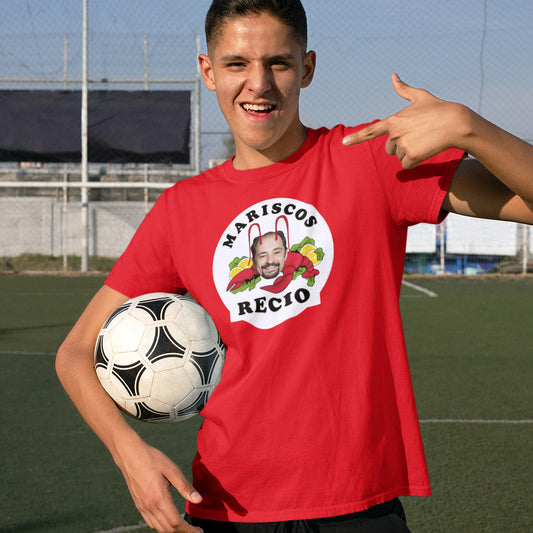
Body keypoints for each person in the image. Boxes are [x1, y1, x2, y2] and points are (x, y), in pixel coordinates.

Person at [55, 1, 533, 532]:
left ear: (306, 68)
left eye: (278, 63)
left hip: (358, 507)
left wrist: (471, 128)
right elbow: (75, 353)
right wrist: (130, 455)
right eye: (236, 63)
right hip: (226, 507)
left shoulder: (367, 160)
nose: (258, 84)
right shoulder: (180, 209)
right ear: (207, 71)